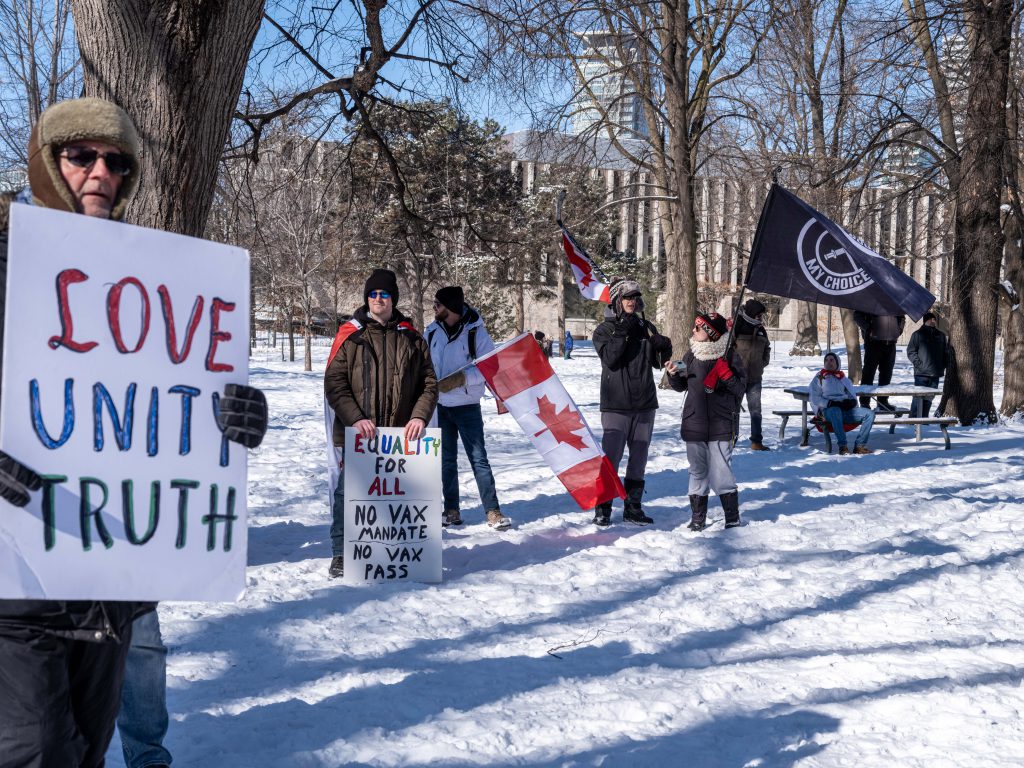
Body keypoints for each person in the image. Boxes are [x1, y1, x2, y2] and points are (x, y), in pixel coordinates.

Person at [0, 97, 268, 768]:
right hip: (17, 581)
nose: (101, 173)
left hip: (114, 579)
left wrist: (234, 416)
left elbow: (164, 404)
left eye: (117, 162)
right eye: (81, 156)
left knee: (87, 752)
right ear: (47, 166)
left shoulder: (154, 278)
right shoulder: (4, 263)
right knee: (36, 752)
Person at [324, 268, 438, 578]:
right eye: (373, 294)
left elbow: (429, 383)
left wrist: (419, 415)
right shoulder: (351, 335)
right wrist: (356, 418)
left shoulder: (412, 338)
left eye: (384, 294)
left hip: (400, 436)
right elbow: (334, 383)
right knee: (349, 493)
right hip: (359, 433)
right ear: (366, 298)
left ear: (393, 299)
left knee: (397, 495)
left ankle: (392, 551)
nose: (378, 299)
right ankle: (341, 553)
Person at [426, 286, 510, 530]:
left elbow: (490, 367)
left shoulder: (477, 333)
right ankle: (451, 510)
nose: (434, 308)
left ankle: (492, 510)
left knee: (478, 458)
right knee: (446, 461)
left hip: (467, 407)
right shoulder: (431, 332)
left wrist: (461, 379)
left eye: (438, 305)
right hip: (440, 407)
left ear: (450, 308)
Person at [592, 279, 673, 526]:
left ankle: (633, 507)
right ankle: (603, 507)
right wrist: (623, 330)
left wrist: (663, 347)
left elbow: (658, 363)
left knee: (639, 459)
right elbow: (611, 359)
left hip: (645, 404)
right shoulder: (603, 331)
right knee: (611, 459)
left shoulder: (645, 326)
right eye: (627, 297)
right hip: (616, 405)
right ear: (617, 300)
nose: (631, 301)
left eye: (635, 297)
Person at [667, 312, 746, 531]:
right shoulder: (691, 355)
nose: (693, 331)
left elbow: (740, 390)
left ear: (710, 334)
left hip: (721, 424)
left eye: (698, 328)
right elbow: (681, 385)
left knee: (721, 472)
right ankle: (698, 517)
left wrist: (727, 376)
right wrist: (673, 375)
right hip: (694, 423)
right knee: (698, 471)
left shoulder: (730, 356)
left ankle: (732, 516)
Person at [808, 351, 876, 455]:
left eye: (831, 360)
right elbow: (814, 397)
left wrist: (851, 402)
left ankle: (860, 446)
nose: (828, 362)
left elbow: (851, 395)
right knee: (836, 411)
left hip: (845, 410)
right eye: (826, 360)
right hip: (829, 411)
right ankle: (843, 446)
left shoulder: (843, 378)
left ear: (837, 362)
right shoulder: (819, 377)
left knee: (869, 414)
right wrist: (829, 403)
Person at [733, 298, 772, 450]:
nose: (761, 317)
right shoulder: (738, 325)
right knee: (733, 410)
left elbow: (767, 347)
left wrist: (763, 362)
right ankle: (731, 439)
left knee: (756, 411)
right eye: (759, 314)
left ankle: (756, 441)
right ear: (752, 313)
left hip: (755, 378)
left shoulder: (761, 329)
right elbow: (728, 347)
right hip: (736, 377)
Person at [854, 311, 906, 410]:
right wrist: (869, 328)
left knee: (887, 374)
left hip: (890, 343)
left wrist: (898, 330)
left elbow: (902, 317)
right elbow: (857, 316)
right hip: (873, 342)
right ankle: (865, 402)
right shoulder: (870, 299)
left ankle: (883, 402)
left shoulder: (893, 300)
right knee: (868, 373)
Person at [906, 312, 948, 417]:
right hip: (921, 374)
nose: (934, 321)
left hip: (936, 373)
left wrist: (944, 365)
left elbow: (945, 353)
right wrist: (919, 364)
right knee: (918, 398)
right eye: (931, 319)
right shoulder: (917, 334)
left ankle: (924, 420)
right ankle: (913, 420)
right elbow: (911, 351)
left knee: (929, 398)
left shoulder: (941, 335)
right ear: (926, 321)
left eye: (935, 319)